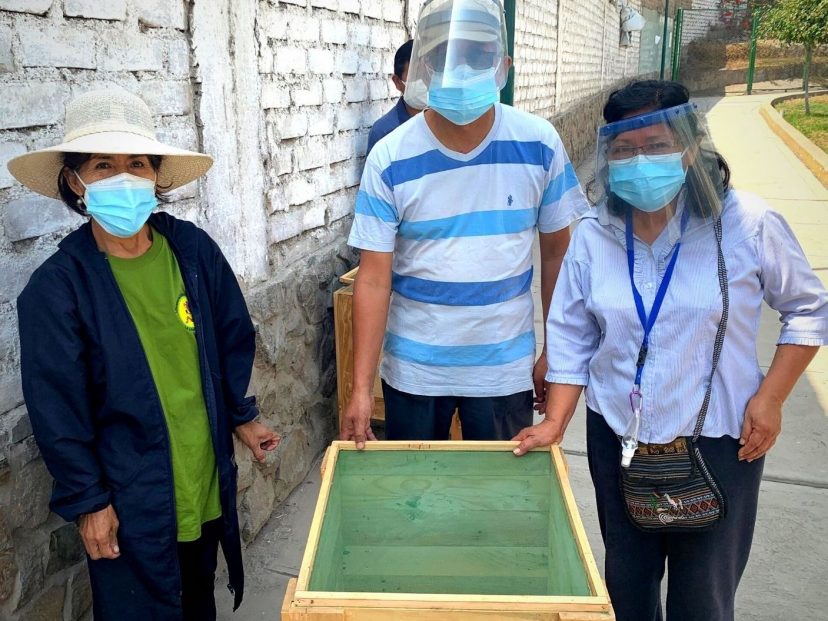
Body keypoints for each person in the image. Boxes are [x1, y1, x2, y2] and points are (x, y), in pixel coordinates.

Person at [512, 80, 828, 621]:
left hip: (722, 440)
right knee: (627, 587)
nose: (640, 161)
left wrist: (772, 397)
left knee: (702, 598)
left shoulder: (746, 223)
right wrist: (555, 421)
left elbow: (808, 309)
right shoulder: (594, 234)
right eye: (624, 149)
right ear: (607, 156)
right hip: (618, 439)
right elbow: (572, 338)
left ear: (688, 145)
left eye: (655, 145)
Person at [8, 89, 280, 621]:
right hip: (130, 497)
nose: (123, 177)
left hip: (200, 476)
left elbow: (228, 340)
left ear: (156, 176)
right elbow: (58, 409)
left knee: (199, 599)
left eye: (136, 163)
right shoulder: (57, 289)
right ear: (75, 182)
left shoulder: (192, 251)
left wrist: (243, 417)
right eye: (103, 165)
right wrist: (89, 502)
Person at [342, 0, 588, 447]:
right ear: (424, 66)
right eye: (444, 54)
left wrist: (557, 352)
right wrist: (360, 389)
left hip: (502, 369)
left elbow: (558, 254)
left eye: (475, 55)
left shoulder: (539, 144)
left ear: (502, 65)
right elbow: (374, 278)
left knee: (496, 504)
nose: (458, 67)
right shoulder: (389, 157)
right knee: (417, 500)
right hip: (414, 371)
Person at [366, 40, 421, 155]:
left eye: (428, 72)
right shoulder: (384, 132)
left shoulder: (447, 123)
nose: (424, 80)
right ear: (398, 82)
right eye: (416, 74)